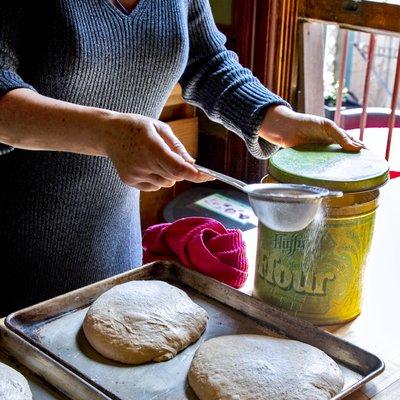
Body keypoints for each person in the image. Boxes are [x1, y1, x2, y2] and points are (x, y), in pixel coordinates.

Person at [0, 0, 362, 315]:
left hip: (113, 252)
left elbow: (208, 61)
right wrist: (107, 133)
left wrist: (280, 122)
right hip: (14, 260)